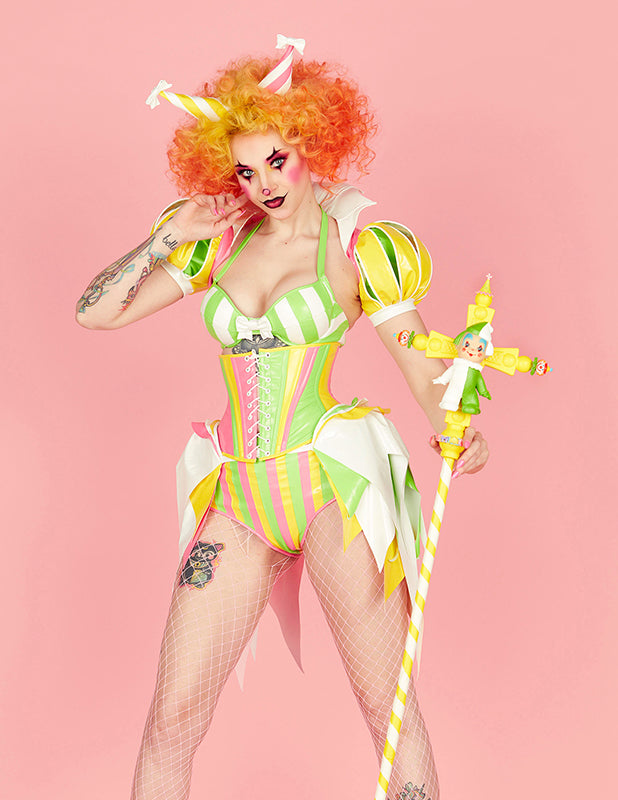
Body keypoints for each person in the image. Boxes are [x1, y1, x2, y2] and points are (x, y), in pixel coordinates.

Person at [76, 35, 488, 800]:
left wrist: (457, 425)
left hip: (331, 488)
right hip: (238, 498)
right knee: (170, 720)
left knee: (389, 710)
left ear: (312, 144)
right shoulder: (221, 245)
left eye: (276, 160)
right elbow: (95, 313)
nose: (262, 183)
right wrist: (161, 241)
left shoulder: (360, 247)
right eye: (244, 169)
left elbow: (417, 361)